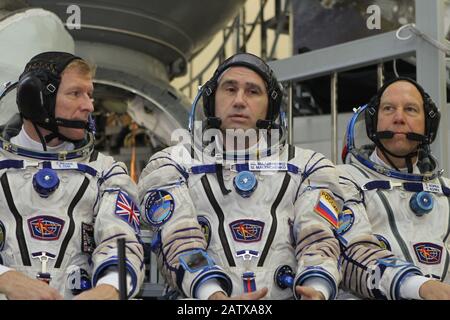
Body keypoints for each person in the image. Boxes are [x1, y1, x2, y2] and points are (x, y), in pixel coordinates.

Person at [137, 53, 443, 300]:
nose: (240, 100)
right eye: (230, 89)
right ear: (211, 100)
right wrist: (212, 296)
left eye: (253, 91)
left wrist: (319, 288)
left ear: (270, 107)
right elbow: (178, 240)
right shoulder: (172, 163)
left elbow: (322, 239)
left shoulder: (311, 167)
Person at [0, 52, 144, 299]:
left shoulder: (106, 172)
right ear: (36, 99)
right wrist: (6, 278)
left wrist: (109, 289)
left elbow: (123, 243)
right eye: (75, 93)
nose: (89, 106)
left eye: (89, 95)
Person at [338, 77, 450, 299]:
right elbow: (349, 257)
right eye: (389, 109)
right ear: (373, 122)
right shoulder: (343, 180)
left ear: (428, 124)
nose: (399, 118)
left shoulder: (446, 190)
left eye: (410, 109)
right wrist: (418, 286)